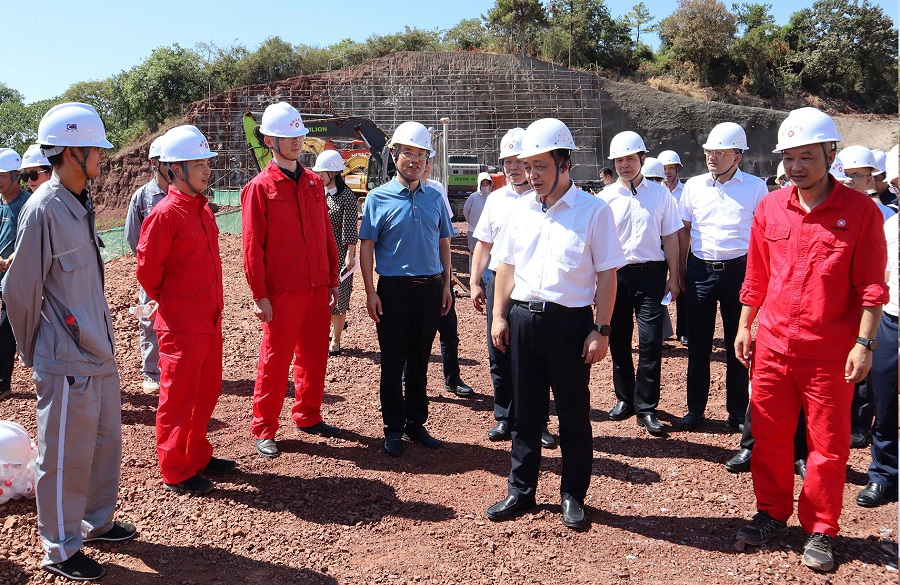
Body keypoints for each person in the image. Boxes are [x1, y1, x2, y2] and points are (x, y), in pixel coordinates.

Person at [734, 107, 889, 573]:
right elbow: (757, 274)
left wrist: (865, 344)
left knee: (828, 445)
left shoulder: (860, 212)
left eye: (807, 156)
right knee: (769, 436)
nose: (796, 166)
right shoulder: (770, 207)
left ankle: (821, 527)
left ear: (830, 154)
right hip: (773, 346)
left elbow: (872, 287)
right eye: (789, 157)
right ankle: (771, 512)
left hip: (829, 353)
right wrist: (745, 326)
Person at [3, 102, 136, 581]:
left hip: (97, 352)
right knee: (63, 456)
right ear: (72, 152)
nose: (102, 155)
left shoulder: (80, 201)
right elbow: (18, 290)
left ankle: (95, 523)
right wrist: (35, 350)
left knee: (103, 445)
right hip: (64, 358)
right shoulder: (43, 209)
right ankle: (60, 547)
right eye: (95, 148)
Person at [486, 118, 624, 529]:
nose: (532, 175)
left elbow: (608, 275)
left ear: (565, 164)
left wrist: (601, 329)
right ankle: (521, 490)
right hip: (523, 320)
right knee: (525, 413)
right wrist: (499, 315)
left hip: (570, 325)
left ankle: (572, 495)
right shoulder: (519, 210)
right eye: (528, 167)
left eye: (541, 167)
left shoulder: (594, 211)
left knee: (573, 415)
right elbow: (506, 266)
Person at [137, 125, 236, 495]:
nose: (207, 170)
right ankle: (175, 469)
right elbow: (148, 273)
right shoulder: (164, 214)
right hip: (181, 325)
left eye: (207, 163)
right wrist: (176, 305)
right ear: (175, 169)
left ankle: (196, 454)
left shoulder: (202, 209)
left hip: (209, 319)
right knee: (178, 398)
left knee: (206, 391)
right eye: (198, 164)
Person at [241, 103, 341, 460]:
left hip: (316, 286)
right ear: (270, 141)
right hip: (283, 291)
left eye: (299, 135)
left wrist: (332, 278)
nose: (297, 141)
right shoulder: (259, 187)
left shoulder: (313, 181)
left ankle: (308, 415)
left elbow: (325, 232)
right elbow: (252, 246)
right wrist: (259, 294)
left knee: (314, 356)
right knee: (275, 359)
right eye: (289, 136)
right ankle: (264, 428)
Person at [359, 121, 454, 457]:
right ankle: (393, 429)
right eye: (408, 153)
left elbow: (444, 243)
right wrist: (370, 292)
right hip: (394, 292)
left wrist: (446, 284)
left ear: (427, 160)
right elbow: (367, 247)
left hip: (430, 289)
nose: (415, 160)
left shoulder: (435, 198)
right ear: (395, 155)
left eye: (421, 154)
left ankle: (416, 423)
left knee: (419, 361)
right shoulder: (377, 198)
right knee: (392, 361)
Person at [677, 123, 767, 434]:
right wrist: (680, 271)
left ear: (737, 157)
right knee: (698, 344)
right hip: (700, 271)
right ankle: (695, 409)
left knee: (737, 344)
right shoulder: (694, 187)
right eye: (709, 152)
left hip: (739, 273)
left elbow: (762, 235)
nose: (712, 157)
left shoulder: (755, 188)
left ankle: (737, 411)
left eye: (719, 152)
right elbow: (684, 230)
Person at [470, 128, 555, 447]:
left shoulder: (546, 199)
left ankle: (537, 421)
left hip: (534, 282)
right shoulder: (495, 200)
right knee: (499, 349)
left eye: (519, 161)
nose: (513, 168)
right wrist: (475, 281)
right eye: (507, 162)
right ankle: (505, 416)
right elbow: (484, 244)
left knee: (535, 353)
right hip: (498, 281)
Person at [601, 131, 681, 437]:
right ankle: (625, 399)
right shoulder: (604, 198)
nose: (624, 165)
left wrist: (674, 276)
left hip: (651, 275)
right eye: (619, 160)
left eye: (629, 159)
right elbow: (597, 244)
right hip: (617, 275)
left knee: (650, 342)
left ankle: (646, 406)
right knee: (619, 339)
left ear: (642, 159)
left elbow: (670, 236)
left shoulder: (660, 195)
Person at [856, 211, 898, 507]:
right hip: (892, 322)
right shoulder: (892, 225)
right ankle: (883, 475)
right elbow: (881, 277)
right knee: (885, 403)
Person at [421, 154, 473, 398]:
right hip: (417, 274)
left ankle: (452, 378)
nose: (425, 165)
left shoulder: (437, 189)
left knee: (449, 330)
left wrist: (448, 276)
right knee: (415, 334)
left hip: (439, 271)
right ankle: (408, 379)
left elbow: (446, 237)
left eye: (428, 160)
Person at [123, 136, 168, 394]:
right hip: (152, 272)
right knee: (150, 320)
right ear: (154, 163)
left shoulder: (184, 192)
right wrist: (149, 265)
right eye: (165, 160)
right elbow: (133, 237)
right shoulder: (142, 197)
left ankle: (175, 368)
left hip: (180, 271)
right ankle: (151, 372)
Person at [312, 149, 357, 357]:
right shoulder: (318, 194)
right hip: (319, 251)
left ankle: (336, 340)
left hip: (339, 251)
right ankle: (327, 331)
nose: (319, 176)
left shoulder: (347, 197)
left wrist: (350, 255)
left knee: (340, 295)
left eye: (322, 172)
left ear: (333, 172)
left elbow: (350, 228)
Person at [0, 148, 27, 402]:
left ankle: (2, 384)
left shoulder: (27, 204)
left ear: (15, 175)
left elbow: (33, 237)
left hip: (19, 280)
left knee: (5, 328)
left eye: (2, 175)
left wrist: (14, 257)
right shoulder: (0, 203)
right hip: (2, 276)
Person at [658, 149, 688, 345]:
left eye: (671, 168)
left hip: (682, 244)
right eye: (664, 168)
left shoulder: (686, 192)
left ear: (678, 169)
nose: (667, 172)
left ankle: (684, 330)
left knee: (683, 284)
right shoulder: (655, 192)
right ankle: (660, 332)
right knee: (657, 286)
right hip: (661, 245)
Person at [463, 171, 493, 279]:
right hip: (473, 231)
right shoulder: (473, 197)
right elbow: (466, 211)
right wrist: (472, 222)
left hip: (489, 232)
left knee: (488, 255)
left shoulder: (493, 197)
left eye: (487, 184)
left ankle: (487, 279)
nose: (485, 186)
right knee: (473, 252)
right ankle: (473, 277)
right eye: (483, 184)